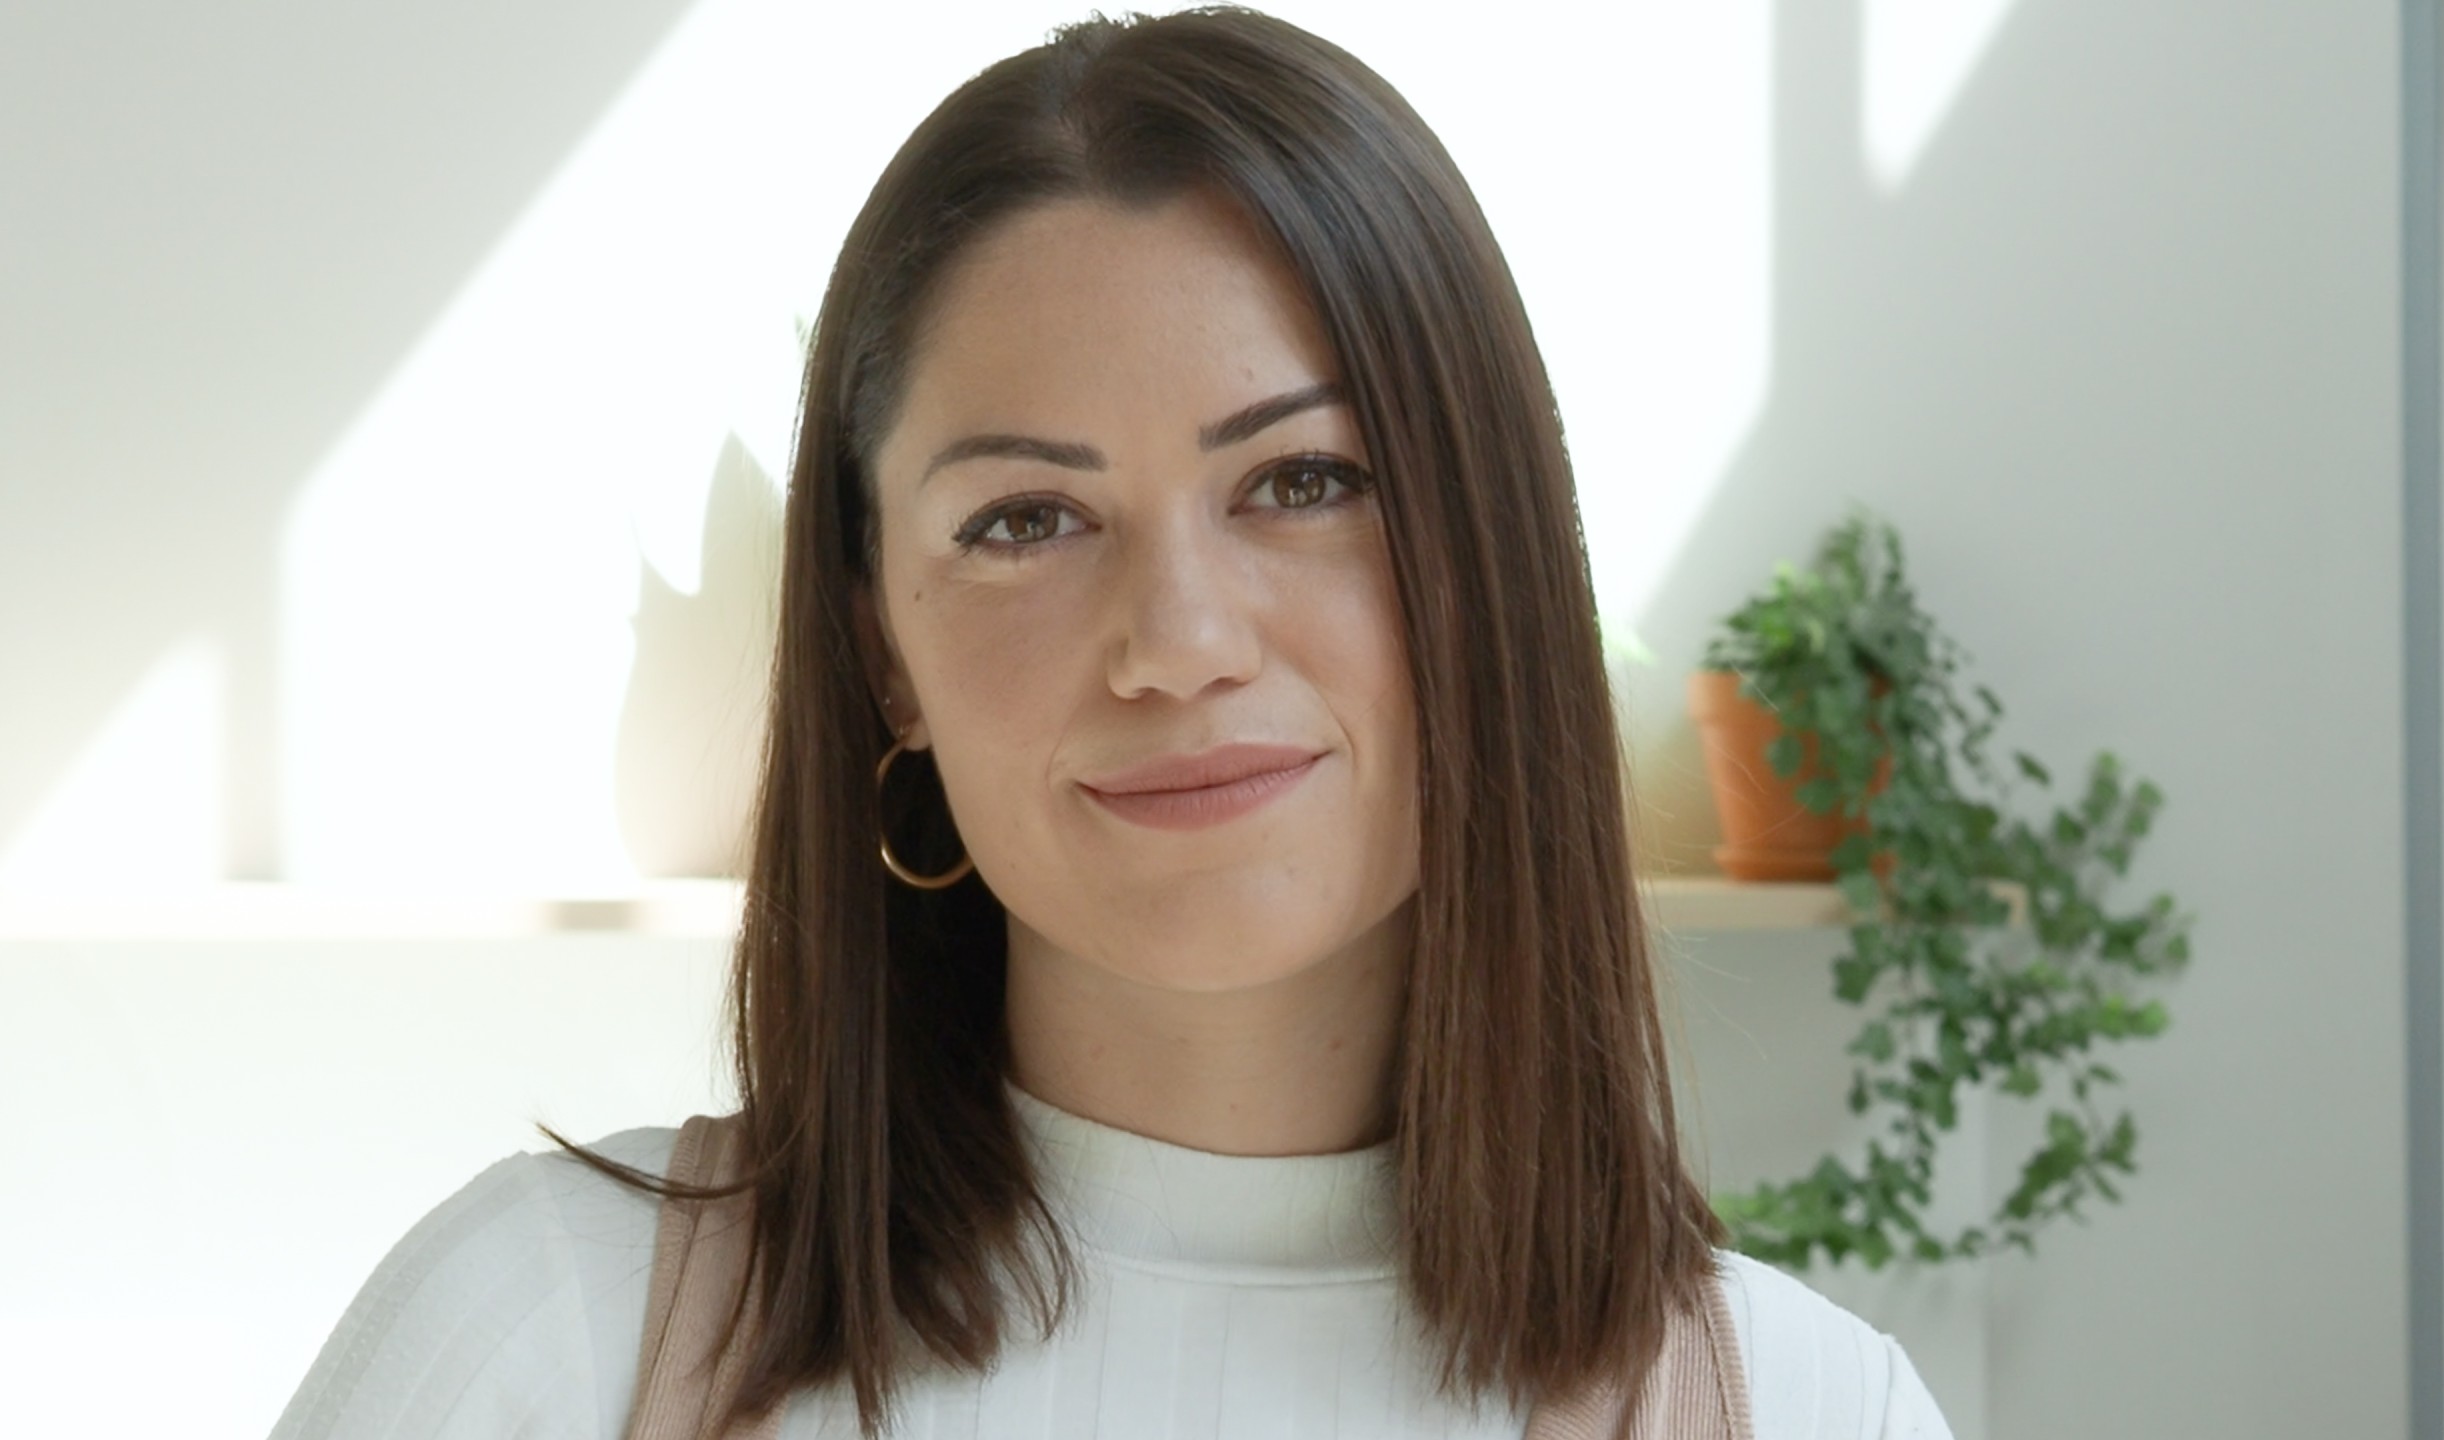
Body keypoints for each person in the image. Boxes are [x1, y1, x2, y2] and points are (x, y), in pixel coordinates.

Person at [269, 7, 1952, 1438]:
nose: (1179, 644)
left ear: (1495, 569)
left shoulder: (1815, 1409)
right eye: (1023, 521)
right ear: (883, 657)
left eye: (1304, 482)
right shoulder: (541, 1339)